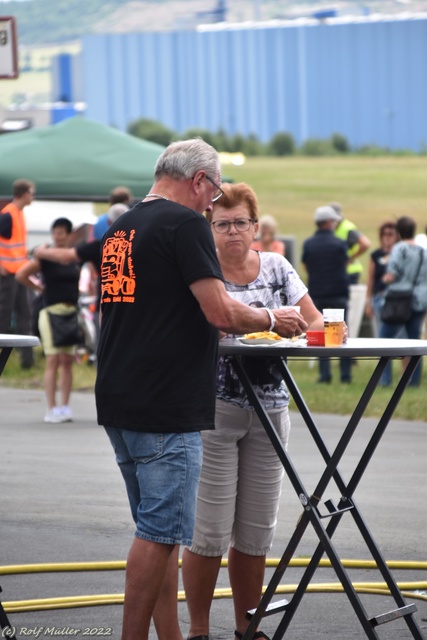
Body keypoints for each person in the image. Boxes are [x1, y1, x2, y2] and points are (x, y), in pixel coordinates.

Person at [95, 139, 307, 640]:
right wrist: (273, 317)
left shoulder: (120, 226)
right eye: (213, 195)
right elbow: (221, 312)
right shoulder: (184, 222)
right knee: (161, 534)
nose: (213, 206)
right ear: (199, 181)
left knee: (158, 535)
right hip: (167, 401)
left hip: (120, 393)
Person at [182, 182, 324, 640]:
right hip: (215, 408)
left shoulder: (278, 267)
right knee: (208, 530)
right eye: (221, 224)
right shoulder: (202, 270)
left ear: (255, 226)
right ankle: (200, 629)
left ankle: (250, 626)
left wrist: (291, 332)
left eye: (240, 222)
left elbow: (316, 321)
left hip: (271, 406)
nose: (231, 232)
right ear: (210, 227)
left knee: (256, 528)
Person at [16, 218, 82, 422]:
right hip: (50, 310)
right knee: (53, 359)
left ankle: (65, 406)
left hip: (71, 311)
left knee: (68, 360)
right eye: (55, 232)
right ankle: (51, 408)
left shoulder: (74, 257)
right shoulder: (45, 256)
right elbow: (22, 274)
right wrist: (39, 288)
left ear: (69, 235)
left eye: (61, 232)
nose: (57, 236)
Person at [301, 205, 352, 383]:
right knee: (343, 333)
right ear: (330, 222)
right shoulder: (339, 244)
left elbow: (306, 266)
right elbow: (345, 263)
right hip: (338, 292)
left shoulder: (309, 244)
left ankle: (325, 375)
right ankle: (345, 374)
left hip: (317, 293)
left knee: (321, 334)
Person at [379, 216, 427, 387]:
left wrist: (384, 278)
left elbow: (393, 274)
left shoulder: (399, 249)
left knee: (384, 340)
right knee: (414, 342)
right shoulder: (422, 250)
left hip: (399, 299)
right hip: (419, 299)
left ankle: (384, 380)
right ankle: (413, 382)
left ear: (399, 231)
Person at [0, 179, 36, 368]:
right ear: (24, 194)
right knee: (3, 318)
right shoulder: (8, 215)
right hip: (7, 276)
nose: (33, 196)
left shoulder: (19, 214)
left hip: (20, 274)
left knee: (25, 315)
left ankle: (27, 362)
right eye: (32, 193)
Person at [365, 221, 399, 338]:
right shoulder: (376, 255)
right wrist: (368, 302)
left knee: (399, 333)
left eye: (391, 234)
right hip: (379, 296)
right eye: (385, 234)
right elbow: (370, 279)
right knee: (382, 332)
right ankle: (385, 356)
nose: (387, 237)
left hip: (396, 298)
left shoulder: (399, 253)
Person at [330, 202, 371, 284]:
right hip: (339, 271)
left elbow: (365, 244)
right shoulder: (333, 229)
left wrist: (351, 258)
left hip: (349, 271)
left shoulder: (347, 228)